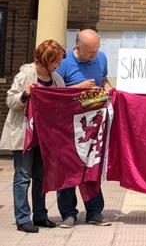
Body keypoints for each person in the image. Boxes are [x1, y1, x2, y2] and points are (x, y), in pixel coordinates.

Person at [0, 39, 66, 233]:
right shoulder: (25, 75)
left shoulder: (57, 80)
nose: (59, 65)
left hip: (44, 137)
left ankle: (40, 215)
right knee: (22, 176)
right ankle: (22, 218)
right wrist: (25, 95)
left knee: (41, 176)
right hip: (24, 135)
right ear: (47, 59)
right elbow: (10, 101)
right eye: (56, 60)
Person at [54, 28, 112, 228]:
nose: (94, 55)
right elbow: (52, 93)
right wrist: (77, 88)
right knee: (68, 170)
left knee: (92, 168)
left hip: (93, 124)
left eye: (97, 50)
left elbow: (103, 79)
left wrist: (108, 88)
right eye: (90, 52)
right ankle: (68, 213)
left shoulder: (101, 57)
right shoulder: (63, 63)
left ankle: (95, 212)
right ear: (77, 46)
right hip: (68, 127)